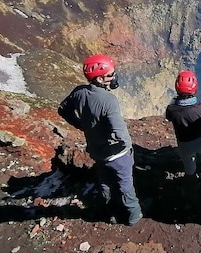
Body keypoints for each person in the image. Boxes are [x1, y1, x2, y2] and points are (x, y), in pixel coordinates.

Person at [58, 54, 143, 226]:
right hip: (117, 155)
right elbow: (121, 134)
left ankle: (111, 213)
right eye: (111, 74)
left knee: (105, 183)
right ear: (99, 78)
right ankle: (134, 215)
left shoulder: (79, 92)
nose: (114, 76)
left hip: (96, 151)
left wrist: (81, 125)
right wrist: (127, 149)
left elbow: (62, 109)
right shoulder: (108, 101)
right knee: (125, 184)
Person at [165, 70, 201, 198]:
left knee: (190, 170)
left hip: (184, 144)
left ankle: (192, 192)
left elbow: (168, 117)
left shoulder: (172, 109)